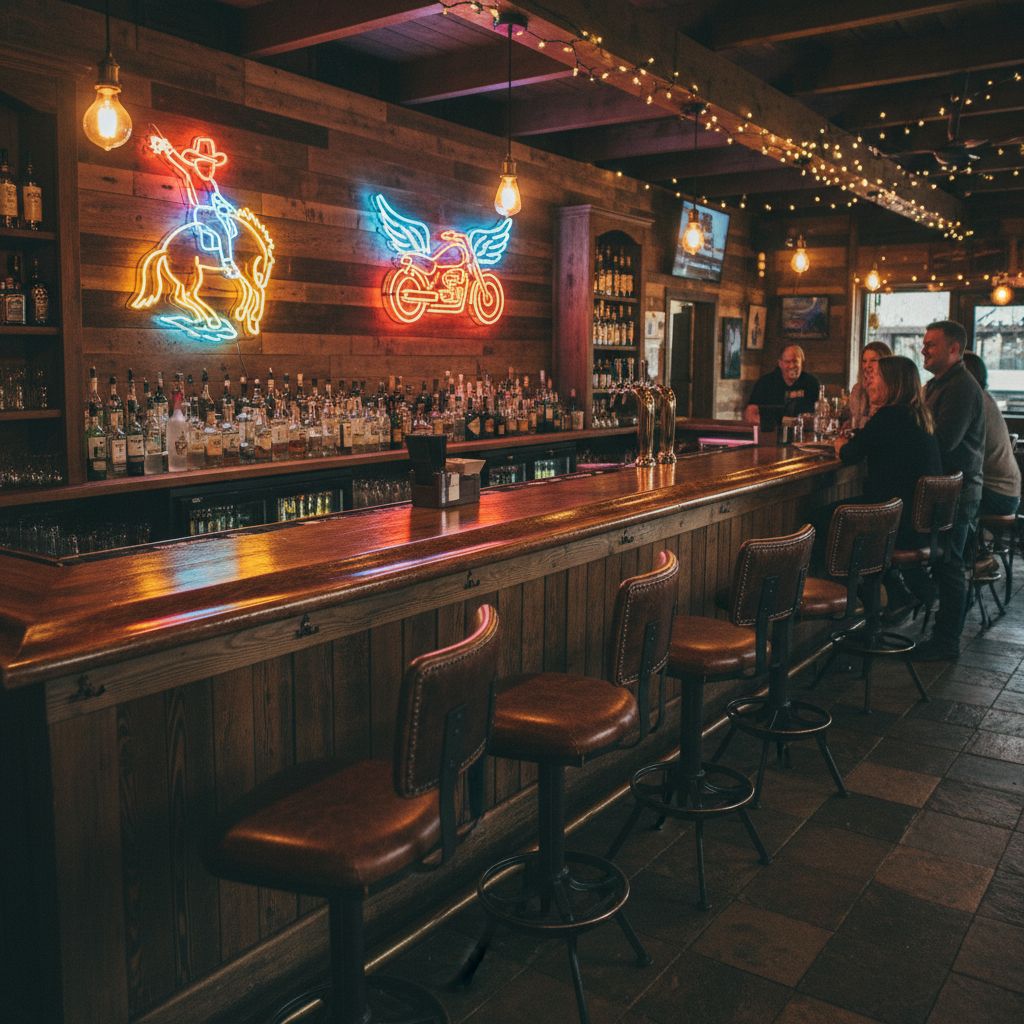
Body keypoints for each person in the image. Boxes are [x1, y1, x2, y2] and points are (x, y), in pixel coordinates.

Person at [912, 320, 985, 660]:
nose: (924, 349)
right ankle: (943, 619)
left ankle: (946, 643)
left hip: (958, 490)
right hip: (944, 490)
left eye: (932, 344)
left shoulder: (961, 387)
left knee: (949, 563)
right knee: (943, 561)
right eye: (924, 343)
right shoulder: (938, 383)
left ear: (954, 349)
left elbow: (943, 441)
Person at [962, 351, 1021, 517]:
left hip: (998, 494)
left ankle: (963, 543)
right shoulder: (984, 397)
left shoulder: (971, 399)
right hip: (1007, 492)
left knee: (943, 506)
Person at [743, 344, 820, 427]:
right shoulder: (765, 382)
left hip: (803, 435)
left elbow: (819, 415)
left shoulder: (812, 383)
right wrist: (777, 424)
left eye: (795, 361)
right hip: (772, 435)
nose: (791, 366)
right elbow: (749, 415)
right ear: (780, 363)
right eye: (787, 362)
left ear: (802, 363)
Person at [847, 341, 893, 429]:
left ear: (886, 363)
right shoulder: (857, 389)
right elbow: (855, 421)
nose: (867, 366)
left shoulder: (891, 390)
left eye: (873, 360)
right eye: (864, 361)